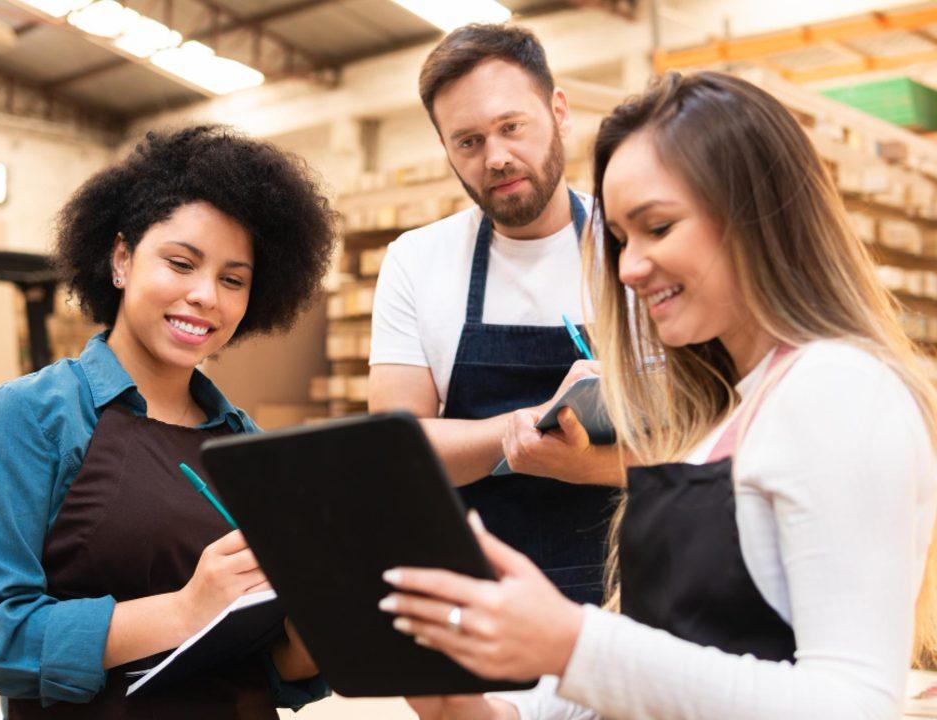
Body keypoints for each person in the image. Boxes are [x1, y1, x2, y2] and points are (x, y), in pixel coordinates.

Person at [379, 71, 937, 719]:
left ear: (758, 215)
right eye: (620, 238)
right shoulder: (720, 406)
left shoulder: (842, 391)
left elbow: (852, 707)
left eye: (658, 228)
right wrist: (479, 711)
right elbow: (665, 645)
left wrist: (571, 642)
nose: (627, 267)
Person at [0, 126, 335, 718]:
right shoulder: (33, 417)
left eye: (232, 279)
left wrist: (319, 629)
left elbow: (267, 666)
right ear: (121, 258)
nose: (205, 296)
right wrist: (184, 610)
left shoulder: (248, 445)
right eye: (181, 262)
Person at [368, 23, 618, 605]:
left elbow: (699, 443)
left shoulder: (630, 243)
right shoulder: (416, 260)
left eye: (512, 127)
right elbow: (397, 456)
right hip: (481, 600)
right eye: (469, 142)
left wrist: (586, 467)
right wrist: (519, 432)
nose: (497, 158)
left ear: (559, 112)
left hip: (631, 592)